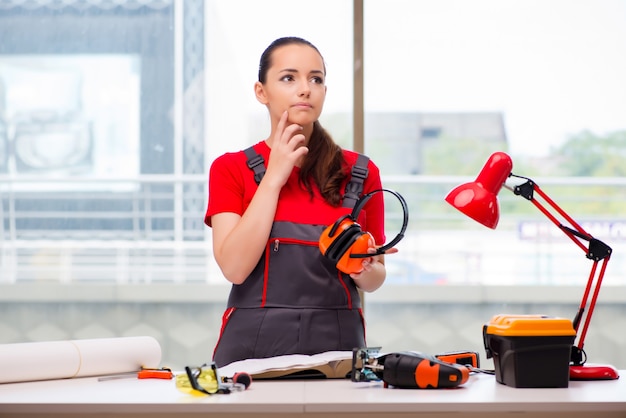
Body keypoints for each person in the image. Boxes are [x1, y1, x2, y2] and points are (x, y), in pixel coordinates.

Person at [205, 36, 394, 367]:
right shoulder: (230, 169)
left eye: (316, 79)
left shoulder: (361, 173)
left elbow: (375, 279)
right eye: (289, 78)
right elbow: (234, 268)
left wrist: (362, 265)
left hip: (339, 347)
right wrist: (275, 177)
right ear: (261, 91)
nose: (305, 89)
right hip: (251, 350)